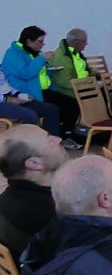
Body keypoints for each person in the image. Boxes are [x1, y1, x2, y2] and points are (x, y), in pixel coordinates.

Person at [0, 124, 66, 260]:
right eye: (49, 140)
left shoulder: (5, 200)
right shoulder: (53, 214)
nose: (58, 139)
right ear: (34, 163)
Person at [2, 26, 77, 142]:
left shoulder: (32, 53)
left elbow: (38, 73)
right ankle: (43, 141)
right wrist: (41, 59)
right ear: (29, 41)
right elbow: (26, 73)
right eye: (40, 41)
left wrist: (50, 71)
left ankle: (56, 138)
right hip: (25, 93)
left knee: (69, 105)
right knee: (60, 108)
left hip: (38, 91)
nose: (43, 44)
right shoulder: (13, 54)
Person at [0, 65, 60, 135]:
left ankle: (50, 139)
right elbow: (26, 73)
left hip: (9, 96)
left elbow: (5, 85)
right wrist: (6, 99)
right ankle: (33, 141)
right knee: (30, 115)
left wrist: (18, 94)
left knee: (51, 109)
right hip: (2, 102)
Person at [47, 28, 93, 103]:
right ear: (75, 41)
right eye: (84, 41)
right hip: (70, 93)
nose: (86, 44)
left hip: (82, 86)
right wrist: (87, 84)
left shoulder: (74, 52)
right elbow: (64, 82)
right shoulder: (61, 57)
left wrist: (94, 73)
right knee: (102, 95)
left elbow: (80, 68)